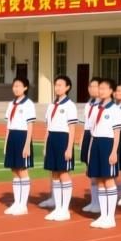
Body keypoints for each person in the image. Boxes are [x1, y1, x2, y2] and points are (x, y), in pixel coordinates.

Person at [86, 78, 121, 228]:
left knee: (108, 180)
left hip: (108, 144)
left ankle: (110, 217)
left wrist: (114, 151)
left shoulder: (115, 109)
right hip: (96, 143)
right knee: (100, 180)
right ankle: (103, 215)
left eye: (104, 89)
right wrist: (90, 151)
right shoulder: (95, 107)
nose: (100, 91)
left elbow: (117, 132)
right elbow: (92, 131)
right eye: (99, 88)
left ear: (111, 91)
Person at [42, 75, 79, 221]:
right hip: (52, 139)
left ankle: (65, 209)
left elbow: (72, 128)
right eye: (56, 85)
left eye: (60, 85)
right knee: (54, 174)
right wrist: (45, 145)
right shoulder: (51, 105)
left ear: (67, 87)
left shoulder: (70, 106)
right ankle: (58, 208)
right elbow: (48, 127)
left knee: (63, 173)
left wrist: (69, 148)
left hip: (63, 139)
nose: (57, 87)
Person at [2, 77, 36, 216]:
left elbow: (30, 125)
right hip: (12, 137)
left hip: (22, 137)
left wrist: (27, 145)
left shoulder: (28, 104)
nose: (16, 88)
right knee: (14, 170)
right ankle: (16, 202)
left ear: (25, 88)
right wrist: (6, 143)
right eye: (14, 86)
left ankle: (23, 205)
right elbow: (8, 125)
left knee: (22, 170)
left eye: (19, 86)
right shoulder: (11, 104)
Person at [81, 78, 102, 214]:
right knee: (90, 170)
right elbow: (86, 124)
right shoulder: (89, 104)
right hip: (88, 135)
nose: (91, 89)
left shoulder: (102, 105)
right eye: (90, 86)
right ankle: (94, 201)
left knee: (98, 171)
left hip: (97, 136)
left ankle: (99, 202)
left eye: (95, 86)